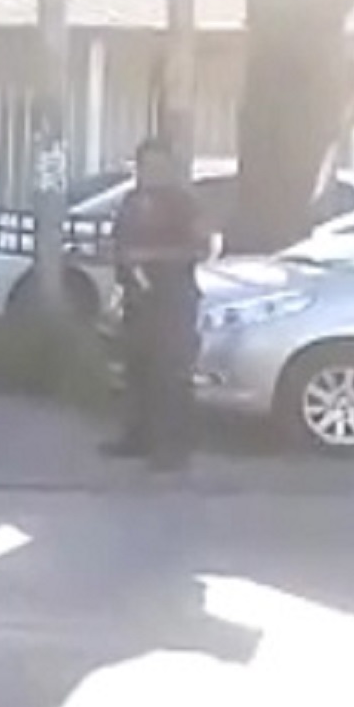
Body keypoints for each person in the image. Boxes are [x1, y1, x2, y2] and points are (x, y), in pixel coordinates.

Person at [106, 136, 210, 472]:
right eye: (145, 166)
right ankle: (137, 439)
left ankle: (174, 449)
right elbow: (120, 241)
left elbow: (200, 249)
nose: (150, 173)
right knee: (138, 371)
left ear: (169, 167)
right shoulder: (132, 200)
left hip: (173, 298)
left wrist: (150, 257)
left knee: (171, 374)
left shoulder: (185, 203)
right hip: (137, 298)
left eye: (157, 166)